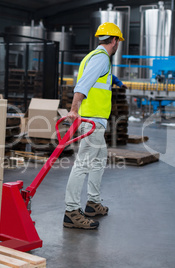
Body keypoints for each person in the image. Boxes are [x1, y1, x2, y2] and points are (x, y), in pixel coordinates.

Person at [63, 22, 124, 229]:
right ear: (114, 40)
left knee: (99, 160)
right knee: (83, 164)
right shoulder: (101, 58)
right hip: (90, 121)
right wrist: (73, 108)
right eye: (118, 42)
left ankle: (93, 203)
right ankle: (71, 211)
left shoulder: (92, 56)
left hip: (95, 120)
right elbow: (83, 84)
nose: (117, 46)